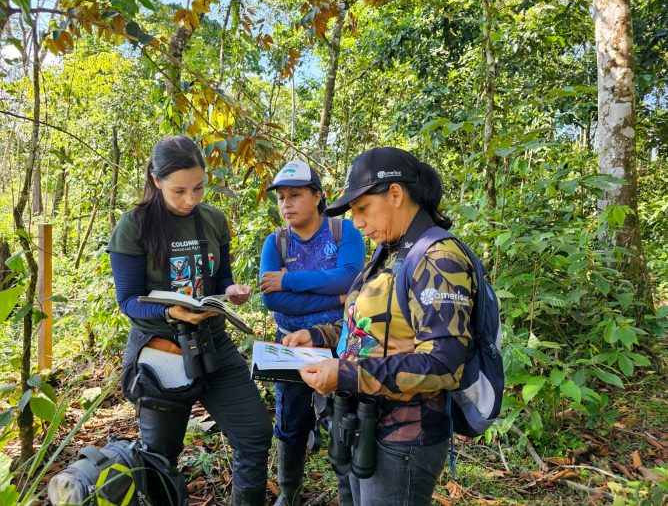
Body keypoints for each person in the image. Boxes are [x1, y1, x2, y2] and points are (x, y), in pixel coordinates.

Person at [282, 147, 476, 506]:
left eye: (362, 208)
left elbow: (445, 365)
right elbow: (372, 328)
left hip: (403, 437)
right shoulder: (390, 251)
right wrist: (320, 335)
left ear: (396, 195)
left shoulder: (437, 259)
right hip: (363, 424)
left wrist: (347, 374)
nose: (356, 222)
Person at [107, 135, 272, 505]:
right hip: (162, 350)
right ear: (155, 180)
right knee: (159, 457)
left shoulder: (213, 220)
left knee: (255, 434)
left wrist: (232, 292)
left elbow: (222, 280)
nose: (191, 200)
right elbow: (128, 300)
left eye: (198, 188)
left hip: (213, 342)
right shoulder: (134, 226)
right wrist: (168, 310)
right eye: (179, 190)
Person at [259, 161, 366, 506]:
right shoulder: (275, 243)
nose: (286, 204)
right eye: (281, 198)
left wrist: (289, 280)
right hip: (291, 343)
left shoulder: (342, 231)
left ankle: (348, 495)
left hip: (340, 342)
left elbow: (351, 279)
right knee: (290, 418)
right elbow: (273, 300)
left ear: (317, 196)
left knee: (344, 417)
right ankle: (288, 492)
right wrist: (332, 293)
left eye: (295, 196)